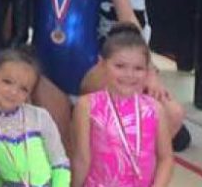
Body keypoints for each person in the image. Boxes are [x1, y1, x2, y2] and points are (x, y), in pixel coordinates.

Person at [71, 27, 175, 186]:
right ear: (102, 64)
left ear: (147, 71)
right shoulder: (87, 106)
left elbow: (166, 158)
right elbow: (81, 159)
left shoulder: (154, 109)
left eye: (138, 68)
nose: (129, 75)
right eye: (120, 66)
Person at [0, 49, 71, 186]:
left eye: (23, 89)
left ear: (29, 94)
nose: (13, 92)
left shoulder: (40, 117)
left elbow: (59, 162)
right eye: (7, 82)